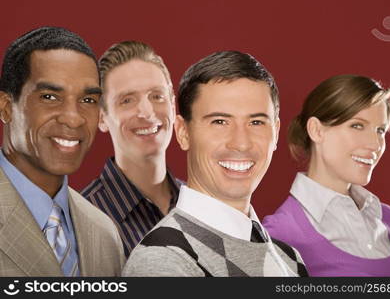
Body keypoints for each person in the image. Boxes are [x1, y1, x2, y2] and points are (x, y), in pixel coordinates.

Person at [122, 51, 308, 277]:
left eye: (256, 122)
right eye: (220, 122)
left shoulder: (290, 261)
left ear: (276, 133)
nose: (241, 143)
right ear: (183, 132)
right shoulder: (163, 261)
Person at [0, 26, 125, 276]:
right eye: (49, 97)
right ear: (6, 108)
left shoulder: (103, 233)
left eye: (88, 100)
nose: (73, 118)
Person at [263, 74, 390, 276]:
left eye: (380, 130)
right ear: (317, 130)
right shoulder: (279, 234)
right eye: (357, 126)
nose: (375, 144)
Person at [81, 41, 181, 257]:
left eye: (157, 96)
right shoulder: (80, 222)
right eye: (127, 100)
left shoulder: (199, 207)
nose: (146, 111)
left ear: (173, 106)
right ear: (101, 117)